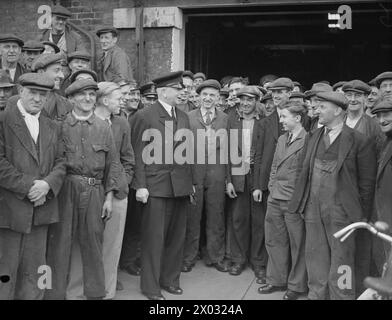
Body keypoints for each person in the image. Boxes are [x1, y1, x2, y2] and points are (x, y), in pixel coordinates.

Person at [288, 91, 377, 300]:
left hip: (342, 211)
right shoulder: (314, 136)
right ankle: (316, 295)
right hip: (313, 207)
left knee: (342, 259)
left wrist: (359, 217)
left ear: (338, 111)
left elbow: (366, 185)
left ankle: (342, 296)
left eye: (322, 107)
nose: (317, 111)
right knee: (315, 255)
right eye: (317, 107)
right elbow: (303, 171)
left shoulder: (359, 140)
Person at [45, 79, 120, 300]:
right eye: (81, 95)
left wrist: (109, 198)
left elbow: (112, 165)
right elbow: (51, 163)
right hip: (64, 191)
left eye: (91, 95)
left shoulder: (103, 127)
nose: (87, 99)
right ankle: (52, 295)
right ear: (71, 99)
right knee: (59, 246)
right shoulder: (59, 126)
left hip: (95, 192)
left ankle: (95, 295)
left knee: (93, 246)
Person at [0, 73, 66, 299]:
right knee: (5, 272)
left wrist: (47, 185)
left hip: (42, 210)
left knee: (37, 271)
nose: (38, 99)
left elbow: (61, 161)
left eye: (43, 94)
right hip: (10, 211)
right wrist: (31, 187)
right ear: (20, 91)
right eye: (33, 93)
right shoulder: (2, 121)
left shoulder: (53, 126)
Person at [132, 71, 195, 300]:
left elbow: (186, 154)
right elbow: (136, 154)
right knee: (154, 239)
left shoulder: (184, 116)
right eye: (177, 90)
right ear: (163, 91)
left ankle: (170, 280)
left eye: (182, 90)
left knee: (176, 239)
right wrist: (140, 185)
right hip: (155, 187)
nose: (182, 93)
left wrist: (190, 184)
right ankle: (150, 287)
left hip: (179, 187)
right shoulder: (144, 116)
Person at [258, 101, 307, 300]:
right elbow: (274, 167)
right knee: (274, 241)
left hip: (293, 202)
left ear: (297, 118)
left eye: (284, 116)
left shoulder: (308, 140)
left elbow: (306, 175)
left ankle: (296, 286)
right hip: (275, 198)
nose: (281, 120)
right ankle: (276, 280)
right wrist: (271, 187)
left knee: (297, 244)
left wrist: (297, 199)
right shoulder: (281, 139)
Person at [183, 79, 229, 273]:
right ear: (198, 97)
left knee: (216, 216)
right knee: (192, 217)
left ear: (218, 98)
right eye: (204, 95)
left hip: (217, 174)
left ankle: (215, 256)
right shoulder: (188, 117)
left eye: (212, 95)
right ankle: (188, 257)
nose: (208, 98)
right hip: (194, 173)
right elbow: (181, 150)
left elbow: (230, 149)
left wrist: (228, 179)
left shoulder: (225, 119)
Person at [225, 86, 267, 279]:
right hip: (237, 175)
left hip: (257, 175)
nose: (245, 103)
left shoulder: (264, 121)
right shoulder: (232, 121)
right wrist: (228, 181)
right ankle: (239, 259)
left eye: (250, 100)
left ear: (256, 101)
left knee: (258, 220)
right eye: (242, 99)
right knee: (238, 219)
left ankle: (258, 262)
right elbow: (225, 153)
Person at [31, 53, 73, 121]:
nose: (62, 76)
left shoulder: (67, 105)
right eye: (57, 70)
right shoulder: (23, 103)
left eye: (61, 71)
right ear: (41, 73)